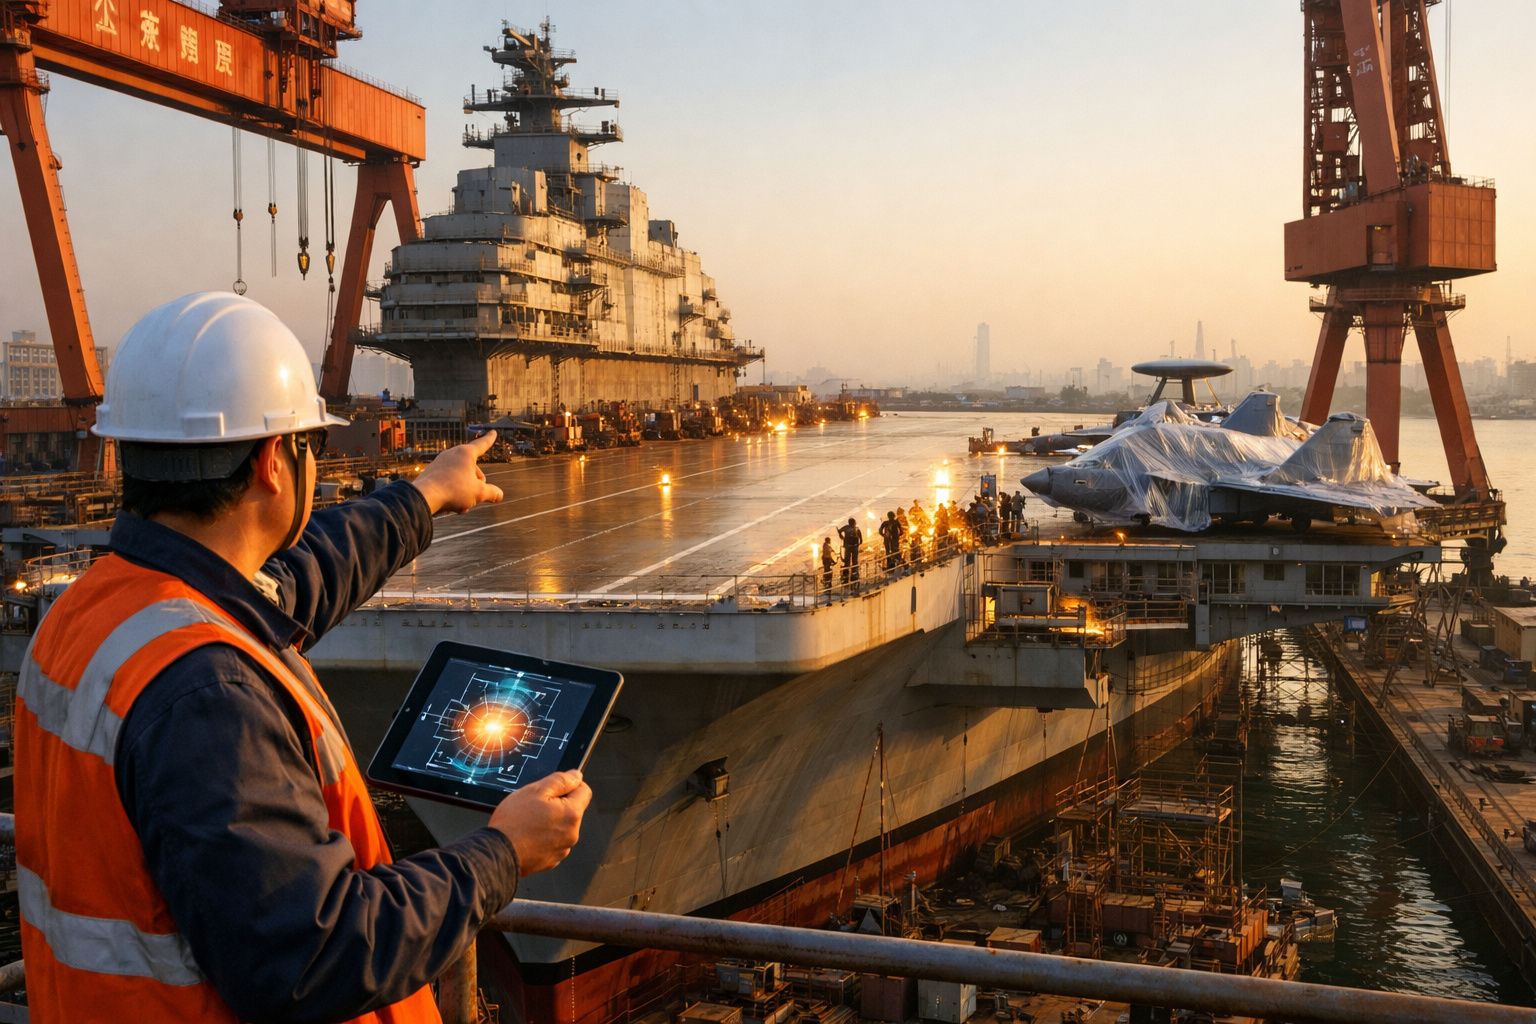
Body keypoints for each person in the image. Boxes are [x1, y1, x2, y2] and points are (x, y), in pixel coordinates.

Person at [14, 293, 591, 1023]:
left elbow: (295, 582)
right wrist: (502, 854)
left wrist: (425, 496)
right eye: (308, 444)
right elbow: (310, 956)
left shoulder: (96, 609)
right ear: (271, 463)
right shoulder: (206, 693)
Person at [837, 516, 863, 583]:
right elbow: (861, 539)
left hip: (849, 546)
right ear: (854, 523)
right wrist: (859, 543)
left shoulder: (847, 527)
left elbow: (839, 531)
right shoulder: (856, 528)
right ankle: (853, 574)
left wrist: (841, 535)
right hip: (853, 546)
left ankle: (847, 574)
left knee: (847, 561)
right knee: (853, 561)